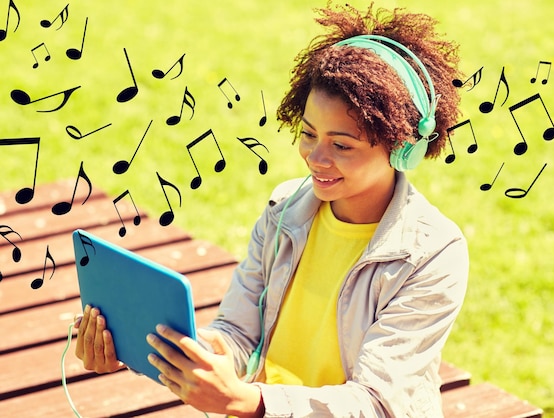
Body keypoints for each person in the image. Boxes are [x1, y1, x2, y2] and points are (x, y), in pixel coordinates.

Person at [75, 3, 469, 417]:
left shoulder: (432, 254)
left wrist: (251, 402)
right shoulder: (286, 211)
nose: (316, 157)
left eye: (342, 145)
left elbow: (375, 403)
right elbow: (237, 334)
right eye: (308, 133)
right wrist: (163, 349)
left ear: (403, 148)